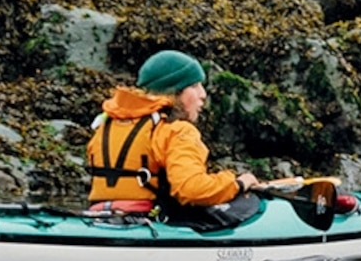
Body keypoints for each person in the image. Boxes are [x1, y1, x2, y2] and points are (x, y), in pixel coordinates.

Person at [87, 49, 266, 225]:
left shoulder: (106, 126)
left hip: (99, 216)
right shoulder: (176, 131)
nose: (203, 94)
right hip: (148, 221)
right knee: (249, 204)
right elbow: (192, 190)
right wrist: (238, 183)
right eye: (194, 86)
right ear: (174, 92)